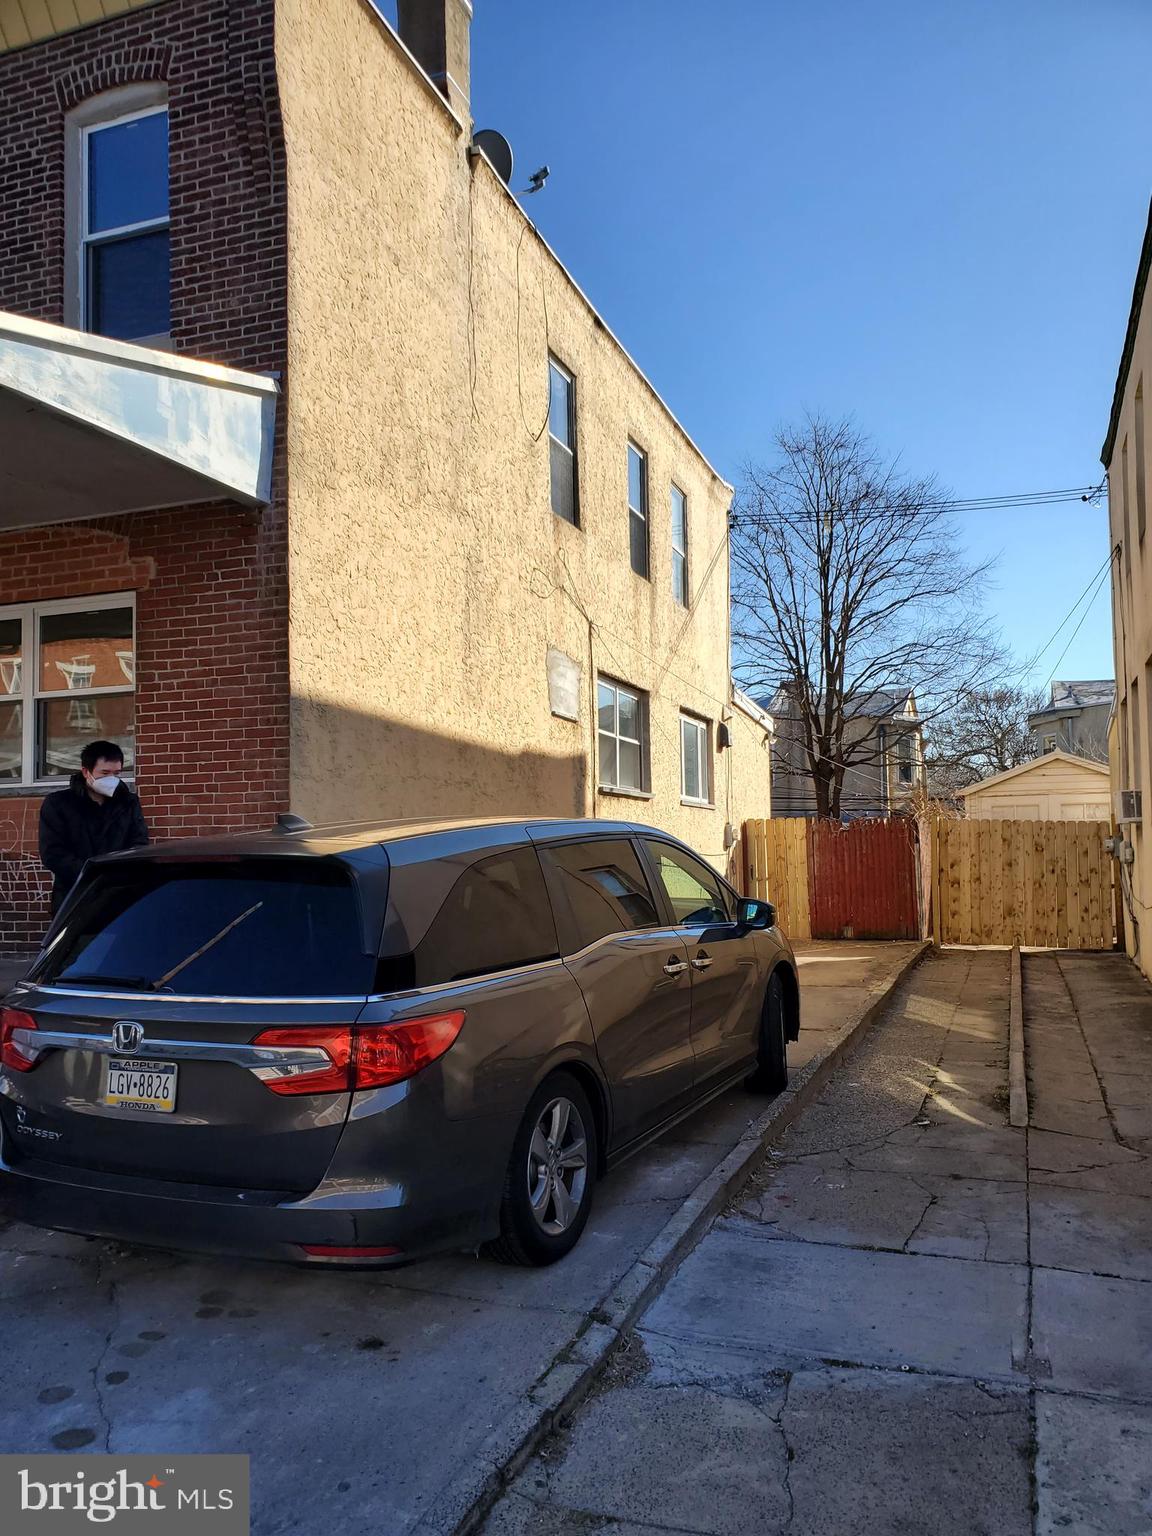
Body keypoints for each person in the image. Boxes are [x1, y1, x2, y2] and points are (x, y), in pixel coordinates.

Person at [39, 740, 149, 916]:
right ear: (86, 772)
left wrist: (118, 876)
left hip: (119, 897)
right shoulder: (59, 804)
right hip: (74, 899)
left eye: (116, 773)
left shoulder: (128, 802)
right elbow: (53, 853)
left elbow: (139, 843)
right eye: (105, 773)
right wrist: (92, 874)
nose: (111, 779)